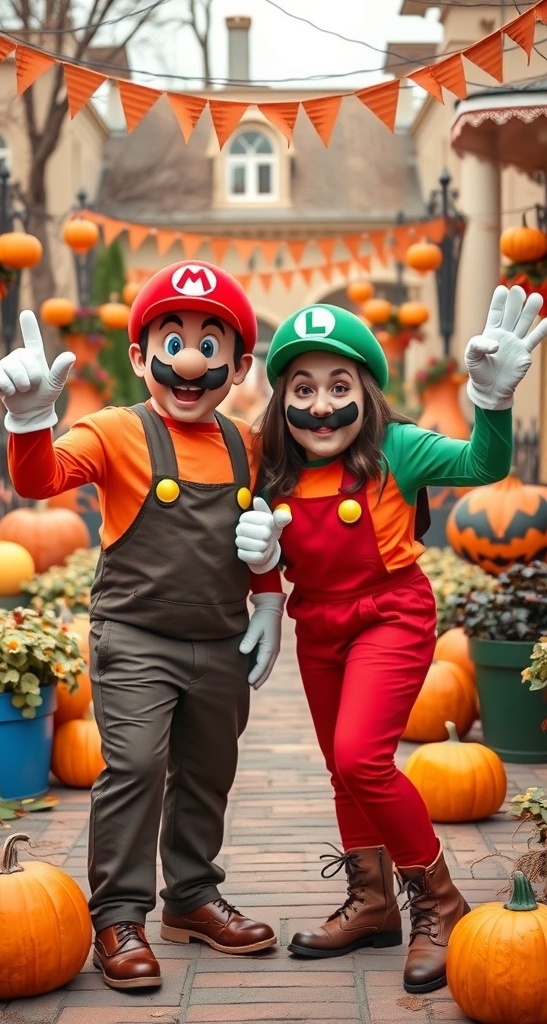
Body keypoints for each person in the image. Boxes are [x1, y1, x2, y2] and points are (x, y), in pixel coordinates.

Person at [234, 284, 547, 995]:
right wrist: (260, 581)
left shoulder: (398, 449)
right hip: (318, 622)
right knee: (342, 771)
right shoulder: (270, 465)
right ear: (281, 397)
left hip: (390, 615)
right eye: (303, 387)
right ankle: (372, 904)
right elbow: (251, 545)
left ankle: (441, 902)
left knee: (362, 756)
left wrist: (493, 405)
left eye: (338, 385)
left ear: (367, 393)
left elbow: (484, 467)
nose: (320, 405)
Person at [0, 259, 286, 991]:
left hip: (220, 642)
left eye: (211, 344)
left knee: (209, 771)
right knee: (137, 767)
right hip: (136, 639)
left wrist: (271, 595)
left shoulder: (247, 443)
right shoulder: (116, 432)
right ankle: (118, 915)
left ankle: (191, 898)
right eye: (173, 339)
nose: (191, 359)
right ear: (138, 356)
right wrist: (30, 421)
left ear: (240, 364)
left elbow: (264, 532)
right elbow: (40, 480)